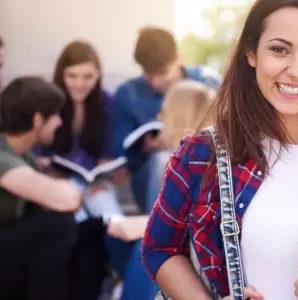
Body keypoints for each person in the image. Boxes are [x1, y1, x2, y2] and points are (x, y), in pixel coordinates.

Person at [142, 0, 298, 300]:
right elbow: (160, 248)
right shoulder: (203, 155)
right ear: (251, 53)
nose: (297, 71)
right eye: (280, 49)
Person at [105, 79, 215, 300]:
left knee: (144, 248)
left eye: (164, 112)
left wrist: (144, 224)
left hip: (202, 254)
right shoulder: (173, 158)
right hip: (186, 247)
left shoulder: (197, 161)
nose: (158, 119)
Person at [33, 40, 118, 300]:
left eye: (88, 76)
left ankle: (118, 280)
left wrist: (105, 170)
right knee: (76, 222)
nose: (80, 83)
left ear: (98, 75)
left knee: (112, 219)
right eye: (73, 76)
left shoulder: (105, 102)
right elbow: (37, 154)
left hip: (95, 182)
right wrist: (48, 168)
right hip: (57, 182)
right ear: (62, 74)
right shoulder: (48, 103)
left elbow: (107, 155)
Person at [113, 26, 221, 214]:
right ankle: (158, 230)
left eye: (162, 72)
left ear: (178, 57)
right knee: (163, 159)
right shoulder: (128, 94)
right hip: (152, 176)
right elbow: (121, 154)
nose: (155, 82)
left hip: (206, 165)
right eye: (148, 73)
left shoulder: (207, 82)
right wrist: (147, 146)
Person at [0, 76, 81, 300]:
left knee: (90, 230)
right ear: (37, 120)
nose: (60, 122)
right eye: (55, 115)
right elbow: (68, 201)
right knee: (59, 225)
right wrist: (64, 187)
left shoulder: (23, 154)